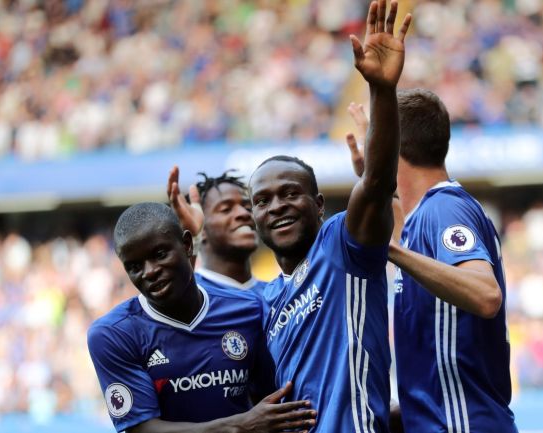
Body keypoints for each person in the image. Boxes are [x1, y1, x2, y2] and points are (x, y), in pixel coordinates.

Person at [248, 1, 411, 431]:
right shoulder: (263, 301)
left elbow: (377, 183)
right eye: (263, 201)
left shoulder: (343, 244)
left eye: (289, 193)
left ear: (319, 206)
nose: (277, 206)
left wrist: (381, 89)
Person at [346, 89, 518, 432]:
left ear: (393, 145)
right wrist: (374, 182)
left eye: (378, 140)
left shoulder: (444, 208)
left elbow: (486, 295)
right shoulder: (424, 215)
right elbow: (400, 227)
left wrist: (389, 250)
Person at [87, 202, 316, 433]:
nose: (149, 271)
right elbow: (143, 430)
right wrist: (241, 426)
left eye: (159, 254)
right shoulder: (112, 334)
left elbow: (271, 399)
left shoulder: (248, 309)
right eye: (134, 266)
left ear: (187, 244)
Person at [167, 168, 265, 292]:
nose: (244, 213)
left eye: (247, 207)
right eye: (226, 209)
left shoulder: (278, 294)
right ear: (201, 230)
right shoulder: (190, 296)